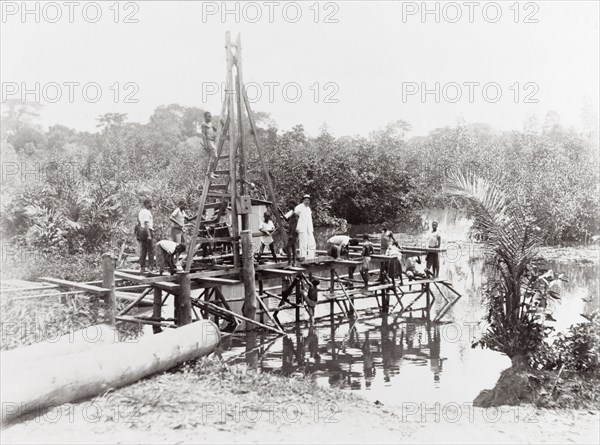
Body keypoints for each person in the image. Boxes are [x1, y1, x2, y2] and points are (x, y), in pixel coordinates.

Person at [294, 194, 316, 260]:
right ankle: (303, 257)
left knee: (312, 243)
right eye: (306, 200)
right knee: (303, 243)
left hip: (309, 229)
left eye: (308, 200)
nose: (307, 202)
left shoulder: (308, 209)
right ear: (303, 200)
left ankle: (311, 257)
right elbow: (294, 214)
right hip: (302, 228)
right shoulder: (299, 207)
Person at [198, 111, 218, 180]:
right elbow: (203, 135)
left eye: (210, 116)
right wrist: (206, 145)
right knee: (214, 156)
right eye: (208, 116)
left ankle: (211, 172)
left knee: (214, 157)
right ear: (205, 117)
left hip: (212, 141)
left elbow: (217, 130)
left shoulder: (211, 124)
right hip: (209, 141)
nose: (210, 117)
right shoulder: (204, 124)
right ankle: (209, 173)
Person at [138, 198, 155, 272]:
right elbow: (146, 223)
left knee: (144, 250)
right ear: (147, 204)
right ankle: (150, 267)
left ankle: (142, 267)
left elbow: (140, 223)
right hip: (147, 230)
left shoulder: (141, 212)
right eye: (150, 203)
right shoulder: (147, 212)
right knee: (150, 250)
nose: (151, 205)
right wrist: (148, 235)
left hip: (142, 231)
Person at [282, 199, 299, 266]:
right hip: (291, 232)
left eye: (289, 204)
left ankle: (290, 262)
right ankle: (294, 262)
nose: (288, 206)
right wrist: (281, 212)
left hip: (294, 233)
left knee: (287, 247)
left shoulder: (296, 213)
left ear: (293, 205)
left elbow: (295, 224)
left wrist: (291, 234)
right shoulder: (292, 212)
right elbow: (287, 219)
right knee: (293, 247)